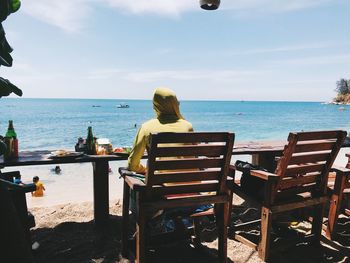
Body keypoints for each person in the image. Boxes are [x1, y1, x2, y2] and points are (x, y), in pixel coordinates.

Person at [128, 87, 193, 175]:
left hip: (162, 185)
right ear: (175, 105)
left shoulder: (146, 127)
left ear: (156, 105)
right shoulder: (188, 126)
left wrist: (145, 170)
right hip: (192, 184)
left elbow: (132, 165)